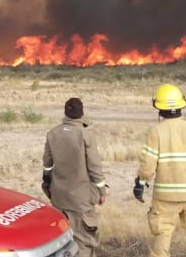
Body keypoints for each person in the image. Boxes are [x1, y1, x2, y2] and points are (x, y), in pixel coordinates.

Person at [134, 83, 186, 257]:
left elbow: (147, 164)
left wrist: (140, 183)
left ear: (158, 107)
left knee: (163, 232)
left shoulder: (156, 131)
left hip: (166, 196)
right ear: (182, 105)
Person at [42, 97, 107, 257]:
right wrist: (101, 191)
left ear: (65, 113)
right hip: (81, 199)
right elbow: (94, 167)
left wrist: (47, 185)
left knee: (62, 241)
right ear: (82, 113)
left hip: (59, 198)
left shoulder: (53, 134)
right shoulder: (86, 134)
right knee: (84, 242)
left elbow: (47, 165)